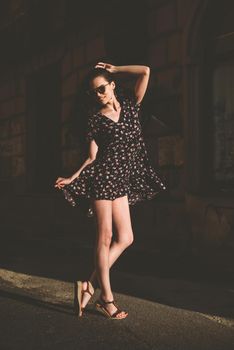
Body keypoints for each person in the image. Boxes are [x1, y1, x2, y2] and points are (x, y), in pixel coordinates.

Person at [54, 62, 166, 319]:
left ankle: (89, 285)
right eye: (93, 92)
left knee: (126, 237)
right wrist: (73, 177)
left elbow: (147, 71)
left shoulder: (130, 107)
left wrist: (115, 69)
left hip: (122, 181)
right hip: (103, 181)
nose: (98, 94)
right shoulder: (95, 119)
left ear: (112, 85)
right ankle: (106, 298)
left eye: (102, 88)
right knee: (105, 238)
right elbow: (92, 157)